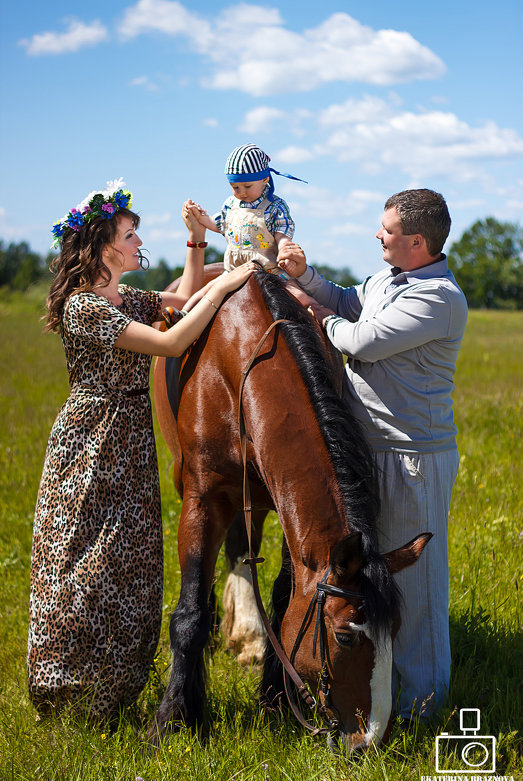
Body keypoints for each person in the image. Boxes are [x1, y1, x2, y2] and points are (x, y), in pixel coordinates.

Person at [27, 179, 254, 719]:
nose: (137, 242)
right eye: (130, 235)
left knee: (128, 562)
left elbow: (181, 301)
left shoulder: (124, 297)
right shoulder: (86, 308)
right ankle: (66, 693)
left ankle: (112, 692)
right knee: (82, 562)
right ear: (106, 245)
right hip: (90, 442)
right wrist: (226, 287)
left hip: (128, 438)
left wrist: (197, 243)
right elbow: (173, 341)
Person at [278, 189, 468, 721]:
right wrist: (307, 275)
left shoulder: (439, 299)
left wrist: (310, 310)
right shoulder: (389, 279)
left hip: (413, 457)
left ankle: (423, 707)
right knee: (373, 579)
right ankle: (376, 689)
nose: (377, 236)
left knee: (416, 584)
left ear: (417, 241)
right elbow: (349, 302)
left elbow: (360, 339)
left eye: (386, 230)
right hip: (372, 450)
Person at [182, 143, 313, 312]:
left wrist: (283, 249)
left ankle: (320, 316)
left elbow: (282, 233)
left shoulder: (274, 206)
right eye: (235, 187)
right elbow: (220, 225)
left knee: (300, 297)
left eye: (247, 187)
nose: (241, 192)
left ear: (265, 179)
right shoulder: (230, 204)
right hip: (233, 270)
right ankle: (182, 315)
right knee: (205, 292)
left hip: (269, 271)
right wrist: (200, 217)